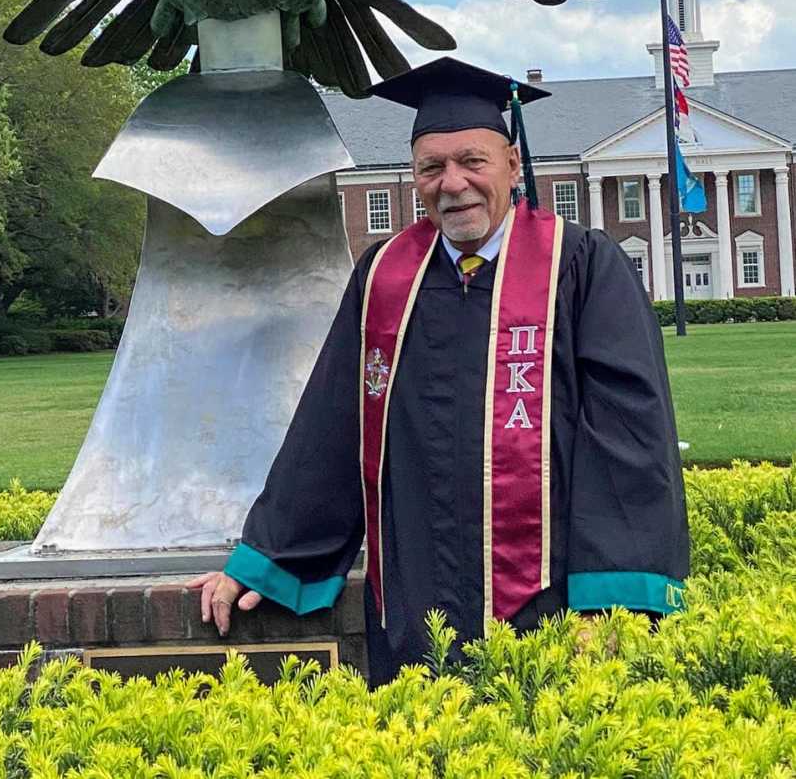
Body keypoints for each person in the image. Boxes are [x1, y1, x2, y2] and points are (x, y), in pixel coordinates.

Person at [191, 58, 689, 686]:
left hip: (555, 603)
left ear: (512, 164)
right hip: (414, 596)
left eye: (472, 161)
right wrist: (263, 559)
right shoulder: (385, 278)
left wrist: (612, 596)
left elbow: (627, 436)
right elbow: (332, 428)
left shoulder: (582, 267)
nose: (452, 183)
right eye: (432, 167)